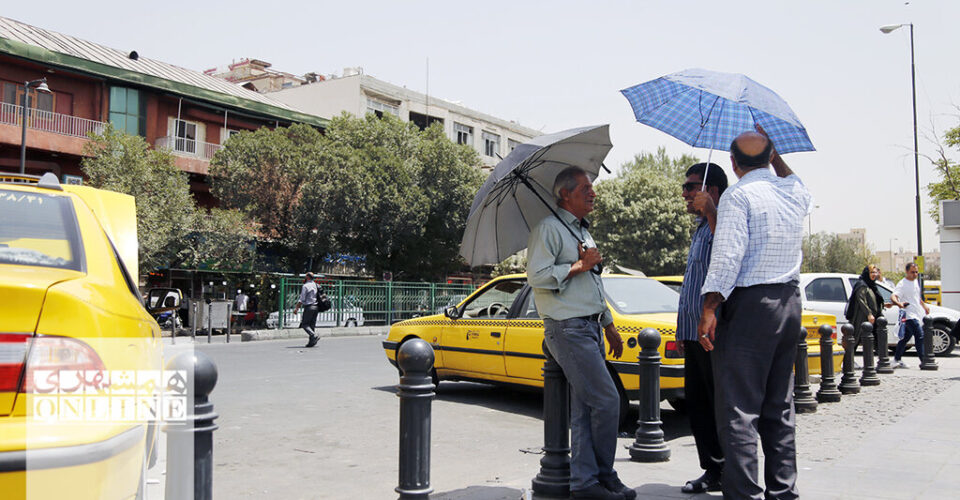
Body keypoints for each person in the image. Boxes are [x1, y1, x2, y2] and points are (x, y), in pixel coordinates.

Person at [698, 130, 811, 500]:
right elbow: (790, 176)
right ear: (772, 157)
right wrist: (773, 153)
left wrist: (710, 307)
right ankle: (783, 493)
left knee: (739, 409)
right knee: (779, 407)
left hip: (750, 306)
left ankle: (744, 494)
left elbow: (728, 256)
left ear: (732, 164)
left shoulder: (738, 194)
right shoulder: (793, 191)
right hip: (789, 303)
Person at [526, 166, 634, 500]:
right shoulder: (548, 229)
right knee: (607, 400)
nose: (593, 192)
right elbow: (537, 276)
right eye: (586, 187)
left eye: (592, 186)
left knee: (586, 408)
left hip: (589, 326)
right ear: (565, 194)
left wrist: (608, 325)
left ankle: (587, 483)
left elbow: (593, 283)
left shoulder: (582, 233)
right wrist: (579, 265)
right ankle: (602, 474)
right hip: (567, 328)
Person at [676, 162, 728, 494]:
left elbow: (727, 258)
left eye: (692, 186)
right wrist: (682, 330)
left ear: (711, 191)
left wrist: (712, 214)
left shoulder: (723, 224)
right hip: (693, 335)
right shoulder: (699, 229)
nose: (685, 193)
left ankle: (730, 470)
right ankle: (712, 469)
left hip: (714, 335)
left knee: (719, 403)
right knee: (698, 403)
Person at [891, 262, 929, 368]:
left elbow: (916, 297)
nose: (915, 274)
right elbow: (893, 296)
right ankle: (924, 361)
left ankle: (896, 359)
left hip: (916, 314)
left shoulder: (916, 282)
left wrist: (924, 306)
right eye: (912, 272)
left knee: (905, 338)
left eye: (916, 272)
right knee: (919, 336)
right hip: (908, 315)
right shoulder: (902, 284)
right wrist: (899, 304)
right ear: (907, 272)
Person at [847, 265, 884, 353]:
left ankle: (880, 361)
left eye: (875, 272)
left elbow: (873, 300)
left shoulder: (871, 285)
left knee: (873, 339)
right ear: (867, 273)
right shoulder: (862, 285)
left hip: (870, 318)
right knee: (856, 337)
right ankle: (849, 361)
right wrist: (869, 314)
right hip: (861, 316)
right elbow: (861, 301)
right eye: (872, 272)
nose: (874, 274)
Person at [293, 272, 321, 348]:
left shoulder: (306, 286)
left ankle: (313, 335)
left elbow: (301, 299)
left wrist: (296, 308)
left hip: (309, 306)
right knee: (312, 325)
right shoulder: (316, 285)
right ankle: (311, 342)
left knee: (304, 324)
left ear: (308, 277)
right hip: (316, 307)